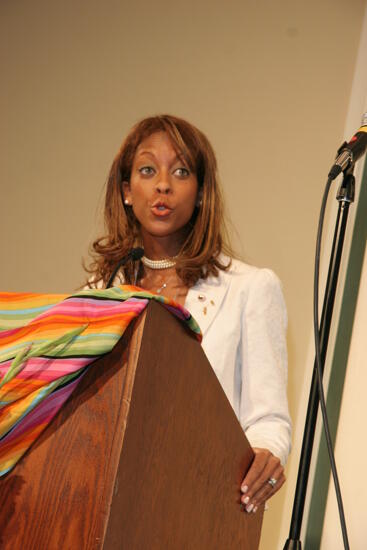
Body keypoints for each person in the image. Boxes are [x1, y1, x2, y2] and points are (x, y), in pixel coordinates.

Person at [85, 114, 291, 514]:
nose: (163, 184)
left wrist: (266, 455)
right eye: (148, 170)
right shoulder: (99, 290)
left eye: (180, 171)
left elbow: (269, 420)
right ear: (127, 191)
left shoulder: (250, 288)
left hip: (200, 504)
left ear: (200, 193)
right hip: (107, 501)